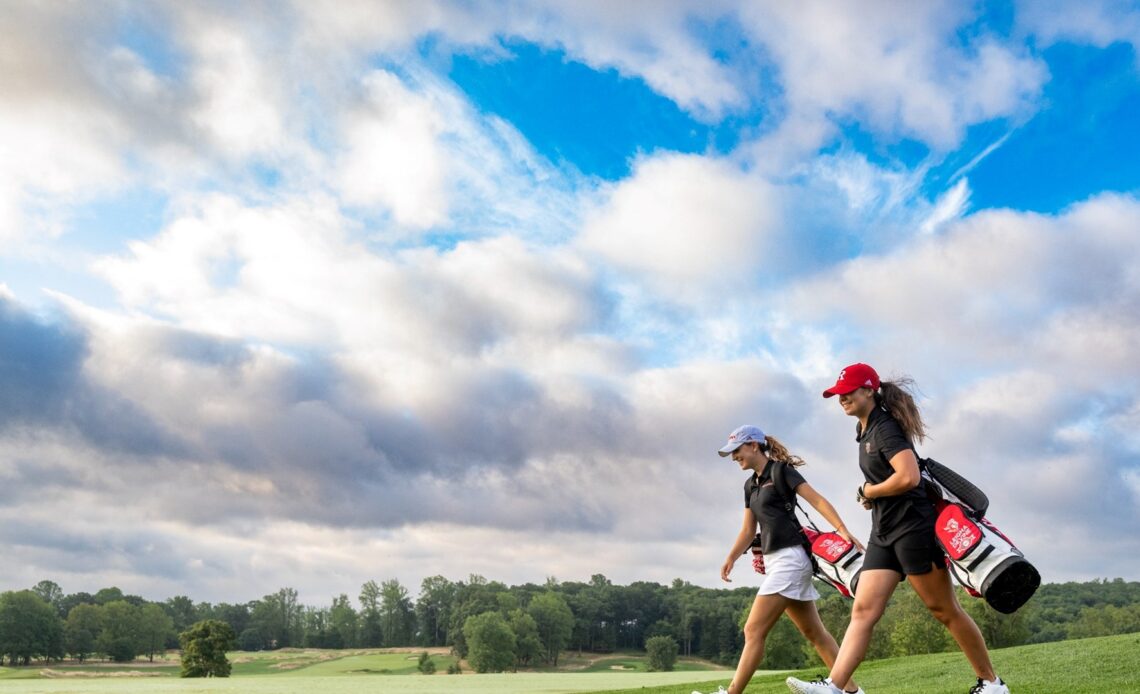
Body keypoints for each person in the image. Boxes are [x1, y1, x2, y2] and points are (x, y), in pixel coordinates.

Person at [786, 363, 1010, 694]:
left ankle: (992, 684)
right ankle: (836, 688)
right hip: (884, 531)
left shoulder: (885, 429)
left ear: (868, 391)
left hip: (913, 528)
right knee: (863, 610)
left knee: (944, 610)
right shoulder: (865, 431)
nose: (841, 398)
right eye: (838, 394)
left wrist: (869, 491)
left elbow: (909, 477)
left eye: (848, 392)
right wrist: (874, 496)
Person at [692, 425, 865, 694]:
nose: (734, 457)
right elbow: (749, 530)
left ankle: (731, 693)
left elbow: (817, 501)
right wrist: (731, 557)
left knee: (753, 630)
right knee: (814, 633)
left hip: (792, 559)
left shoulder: (781, 471)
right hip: (776, 561)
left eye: (737, 451)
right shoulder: (751, 485)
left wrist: (843, 531)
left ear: (753, 445)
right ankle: (852, 691)